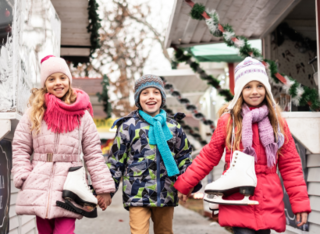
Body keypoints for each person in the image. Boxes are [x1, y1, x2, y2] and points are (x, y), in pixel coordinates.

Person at [174, 57, 311, 234]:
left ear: (267, 89)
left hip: (268, 198)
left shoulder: (277, 123)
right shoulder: (229, 122)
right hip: (237, 195)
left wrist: (299, 204)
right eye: (248, 87)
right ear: (239, 91)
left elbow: (291, 165)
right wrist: (185, 183)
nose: (254, 92)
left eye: (259, 86)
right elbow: (209, 156)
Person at [11, 55, 115, 234]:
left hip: (70, 186)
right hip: (39, 184)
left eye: (62, 77)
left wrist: (103, 188)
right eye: (51, 79)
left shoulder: (82, 115)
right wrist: (23, 174)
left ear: (69, 80)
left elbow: (93, 154)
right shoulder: (34, 113)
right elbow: (20, 146)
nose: (58, 83)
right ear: (45, 83)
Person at [106, 74, 200, 234]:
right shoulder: (128, 126)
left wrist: (186, 184)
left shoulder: (173, 127)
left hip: (166, 192)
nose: (151, 97)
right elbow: (115, 162)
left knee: (165, 232)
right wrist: (106, 190)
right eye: (145, 93)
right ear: (138, 99)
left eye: (156, 92)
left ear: (162, 97)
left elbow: (184, 157)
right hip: (137, 194)